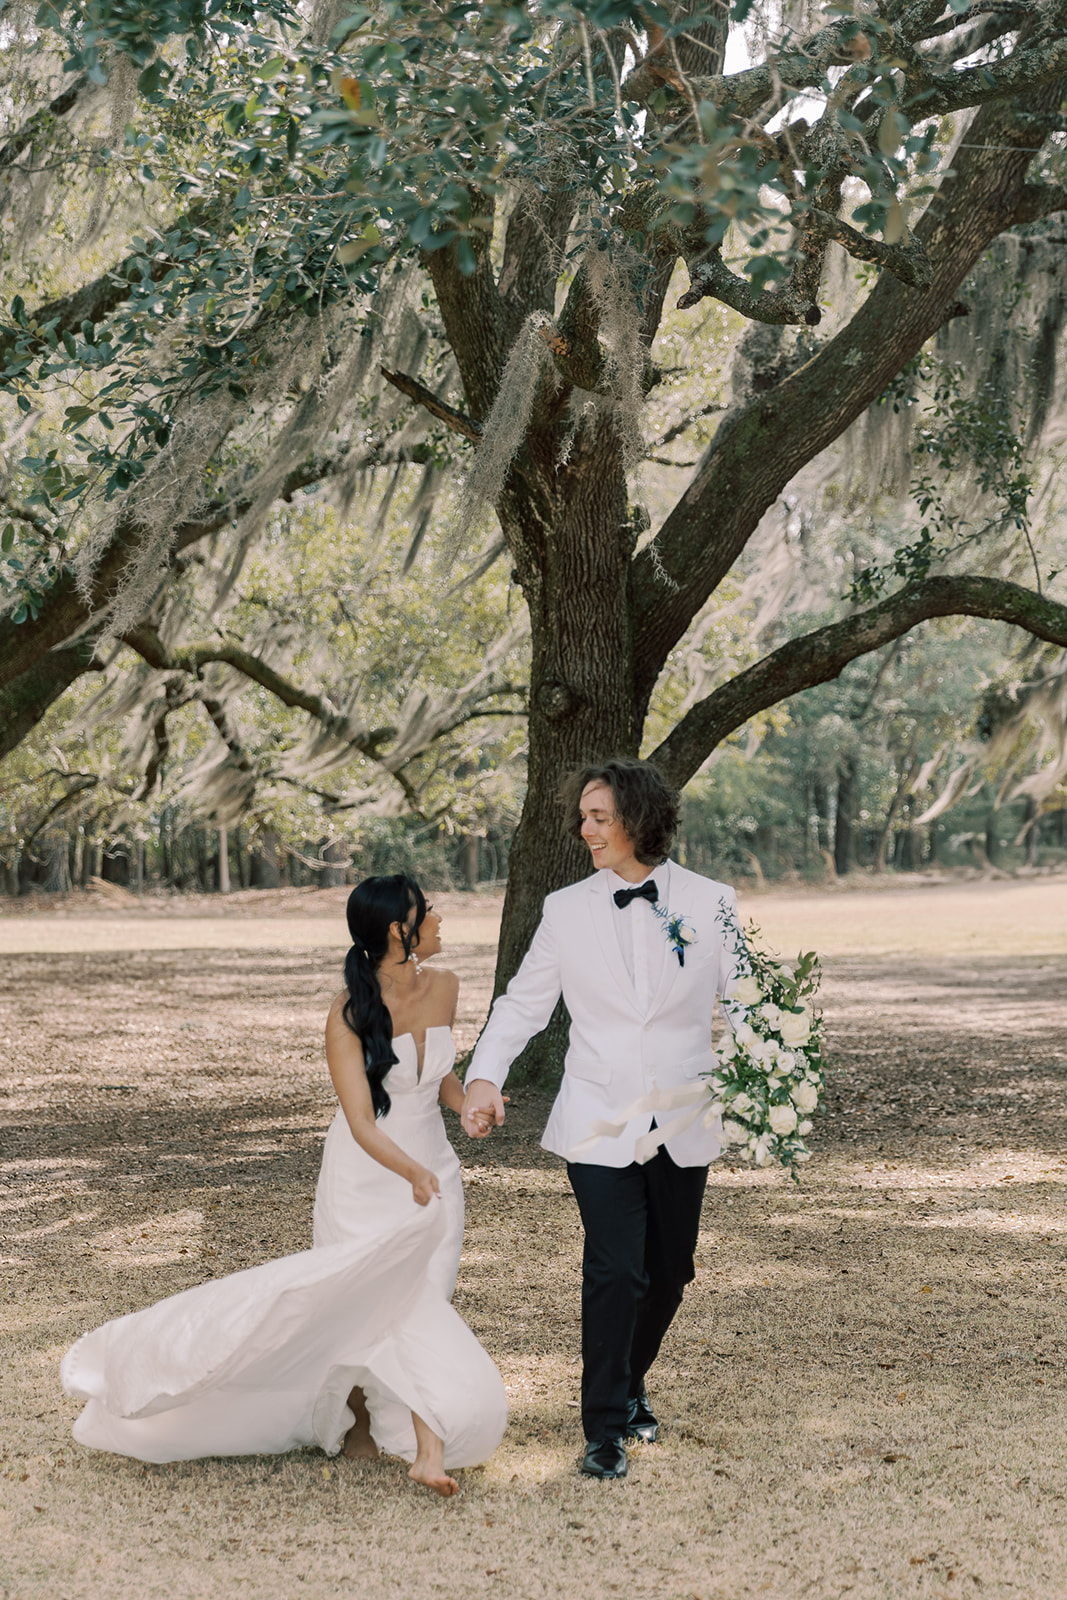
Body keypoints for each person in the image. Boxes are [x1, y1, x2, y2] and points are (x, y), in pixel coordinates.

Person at [62, 875, 507, 1496]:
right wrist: (409, 1171)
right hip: (370, 1174)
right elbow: (358, 1121)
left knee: (424, 1296)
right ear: (395, 932)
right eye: (426, 911)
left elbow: (442, 1076)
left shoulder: (448, 986)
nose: (440, 917)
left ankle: (420, 1437)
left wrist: (468, 1109)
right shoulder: (348, 1014)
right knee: (355, 1301)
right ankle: (362, 1422)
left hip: (434, 1171)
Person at [461, 758, 746, 1481]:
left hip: (684, 1110)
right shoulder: (565, 908)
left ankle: (627, 1380)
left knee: (669, 1272)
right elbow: (523, 1003)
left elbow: (748, 1004)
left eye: (599, 817)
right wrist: (485, 1077)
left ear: (639, 819)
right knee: (615, 1268)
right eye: (583, 816)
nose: (584, 830)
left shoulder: (713, 902)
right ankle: (603, 1429)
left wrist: (764, 1072)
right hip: (596, 1115)